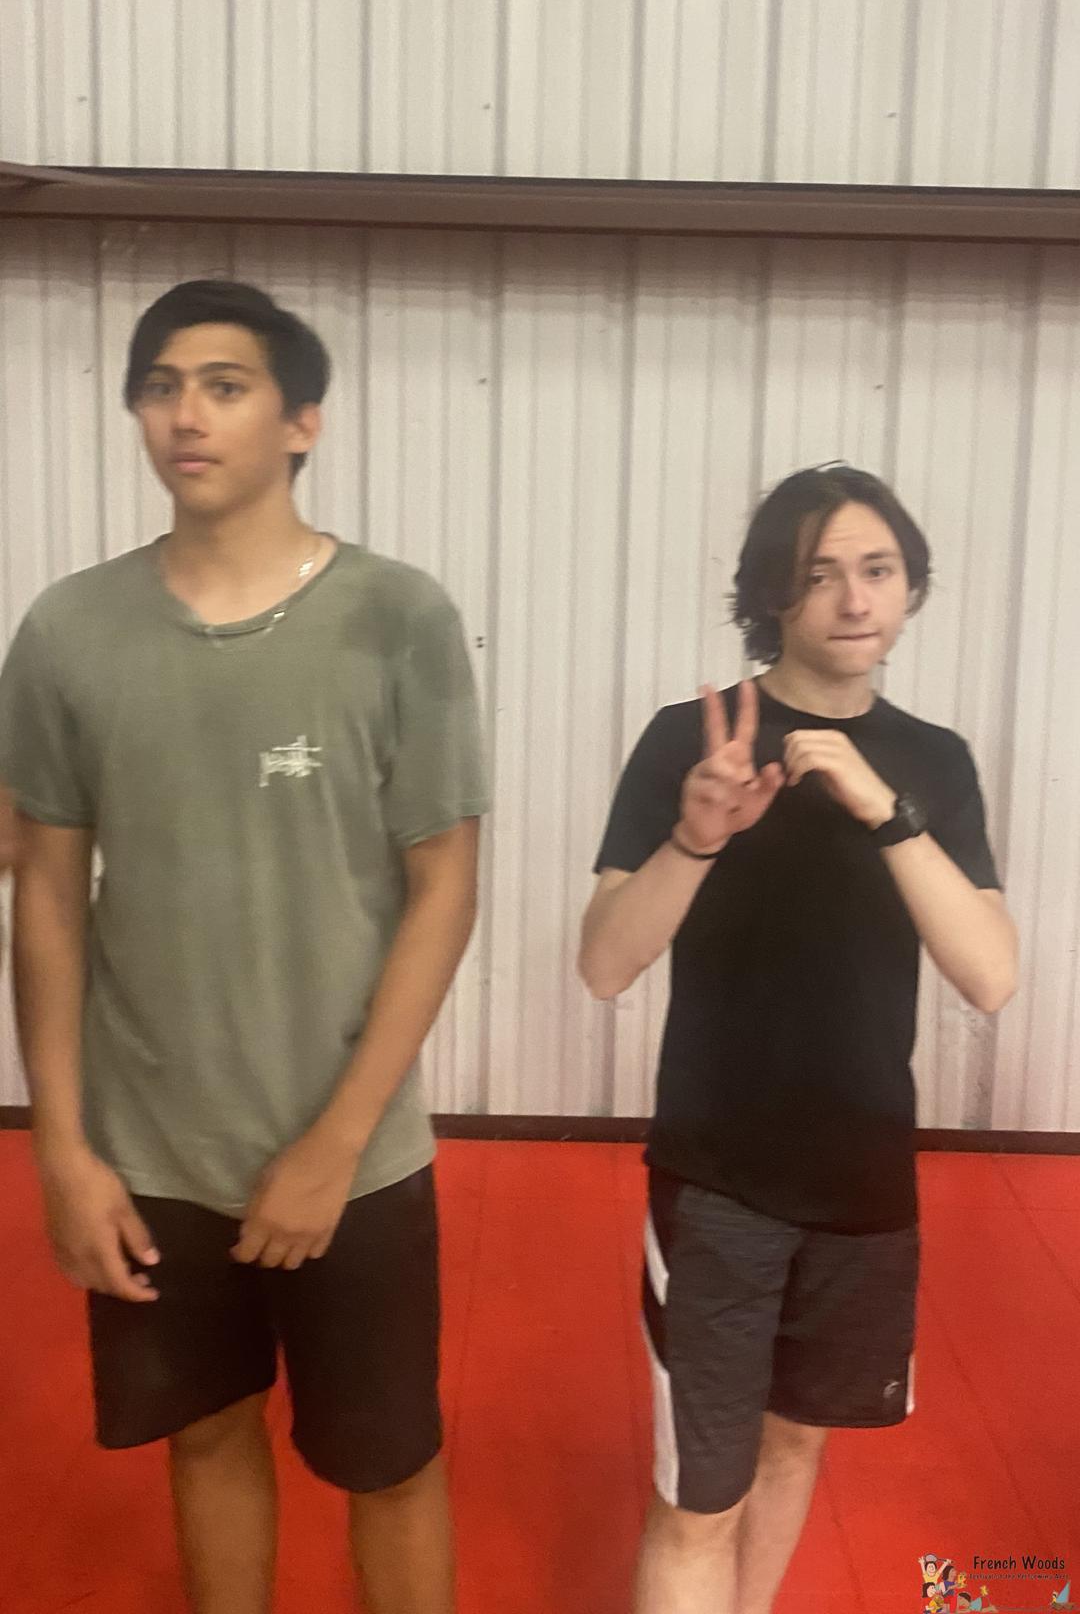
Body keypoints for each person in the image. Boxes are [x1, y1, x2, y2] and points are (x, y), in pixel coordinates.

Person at [0, 279, 487, 1614]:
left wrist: (337, 1143)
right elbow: (47, 894)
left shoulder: (399, 618)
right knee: (207, 1435)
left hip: (354, 1152)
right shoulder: (67, 632)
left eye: (224, 385)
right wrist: (62, 1148)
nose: (185, 415)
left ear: (301, 420)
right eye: (160, 387)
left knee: (389, 1463)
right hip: (151, 1153)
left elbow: (444, 889)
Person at [579, 464, 1018, 1614]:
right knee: (698, 1502)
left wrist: (884, 811)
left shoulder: (932, 762)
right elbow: (604, 963)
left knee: (793, 1448)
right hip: (720, 1181)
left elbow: (990, 975)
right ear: (772, 593)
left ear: (911, 586)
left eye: (878, 570)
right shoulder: (693, 740)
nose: (854, 599)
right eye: (820, 575)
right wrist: (696, 836)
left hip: (866, 1184)